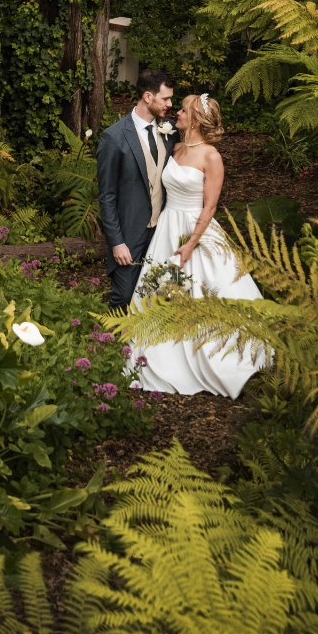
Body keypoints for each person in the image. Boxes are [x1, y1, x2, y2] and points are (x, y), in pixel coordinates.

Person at [131, 92, 269, 399]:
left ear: (195, 119)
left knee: (207, 292)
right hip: (168, 225)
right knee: (161, 291)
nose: (176, 112)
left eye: (182, 109)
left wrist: (191, 244)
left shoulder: (211, 156)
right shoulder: (175, 147)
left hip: (196, 230)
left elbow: (210, 207)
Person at [96, 67, 177, 310]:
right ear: (147, 97)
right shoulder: (114, 137)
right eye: (165, 98)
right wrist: (116, 242)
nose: (170, 104)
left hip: (162, 230)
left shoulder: (170, 131)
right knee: (123, 294)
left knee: (157, 293)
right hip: (129, 233)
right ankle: (111, 345)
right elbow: (107, 196)